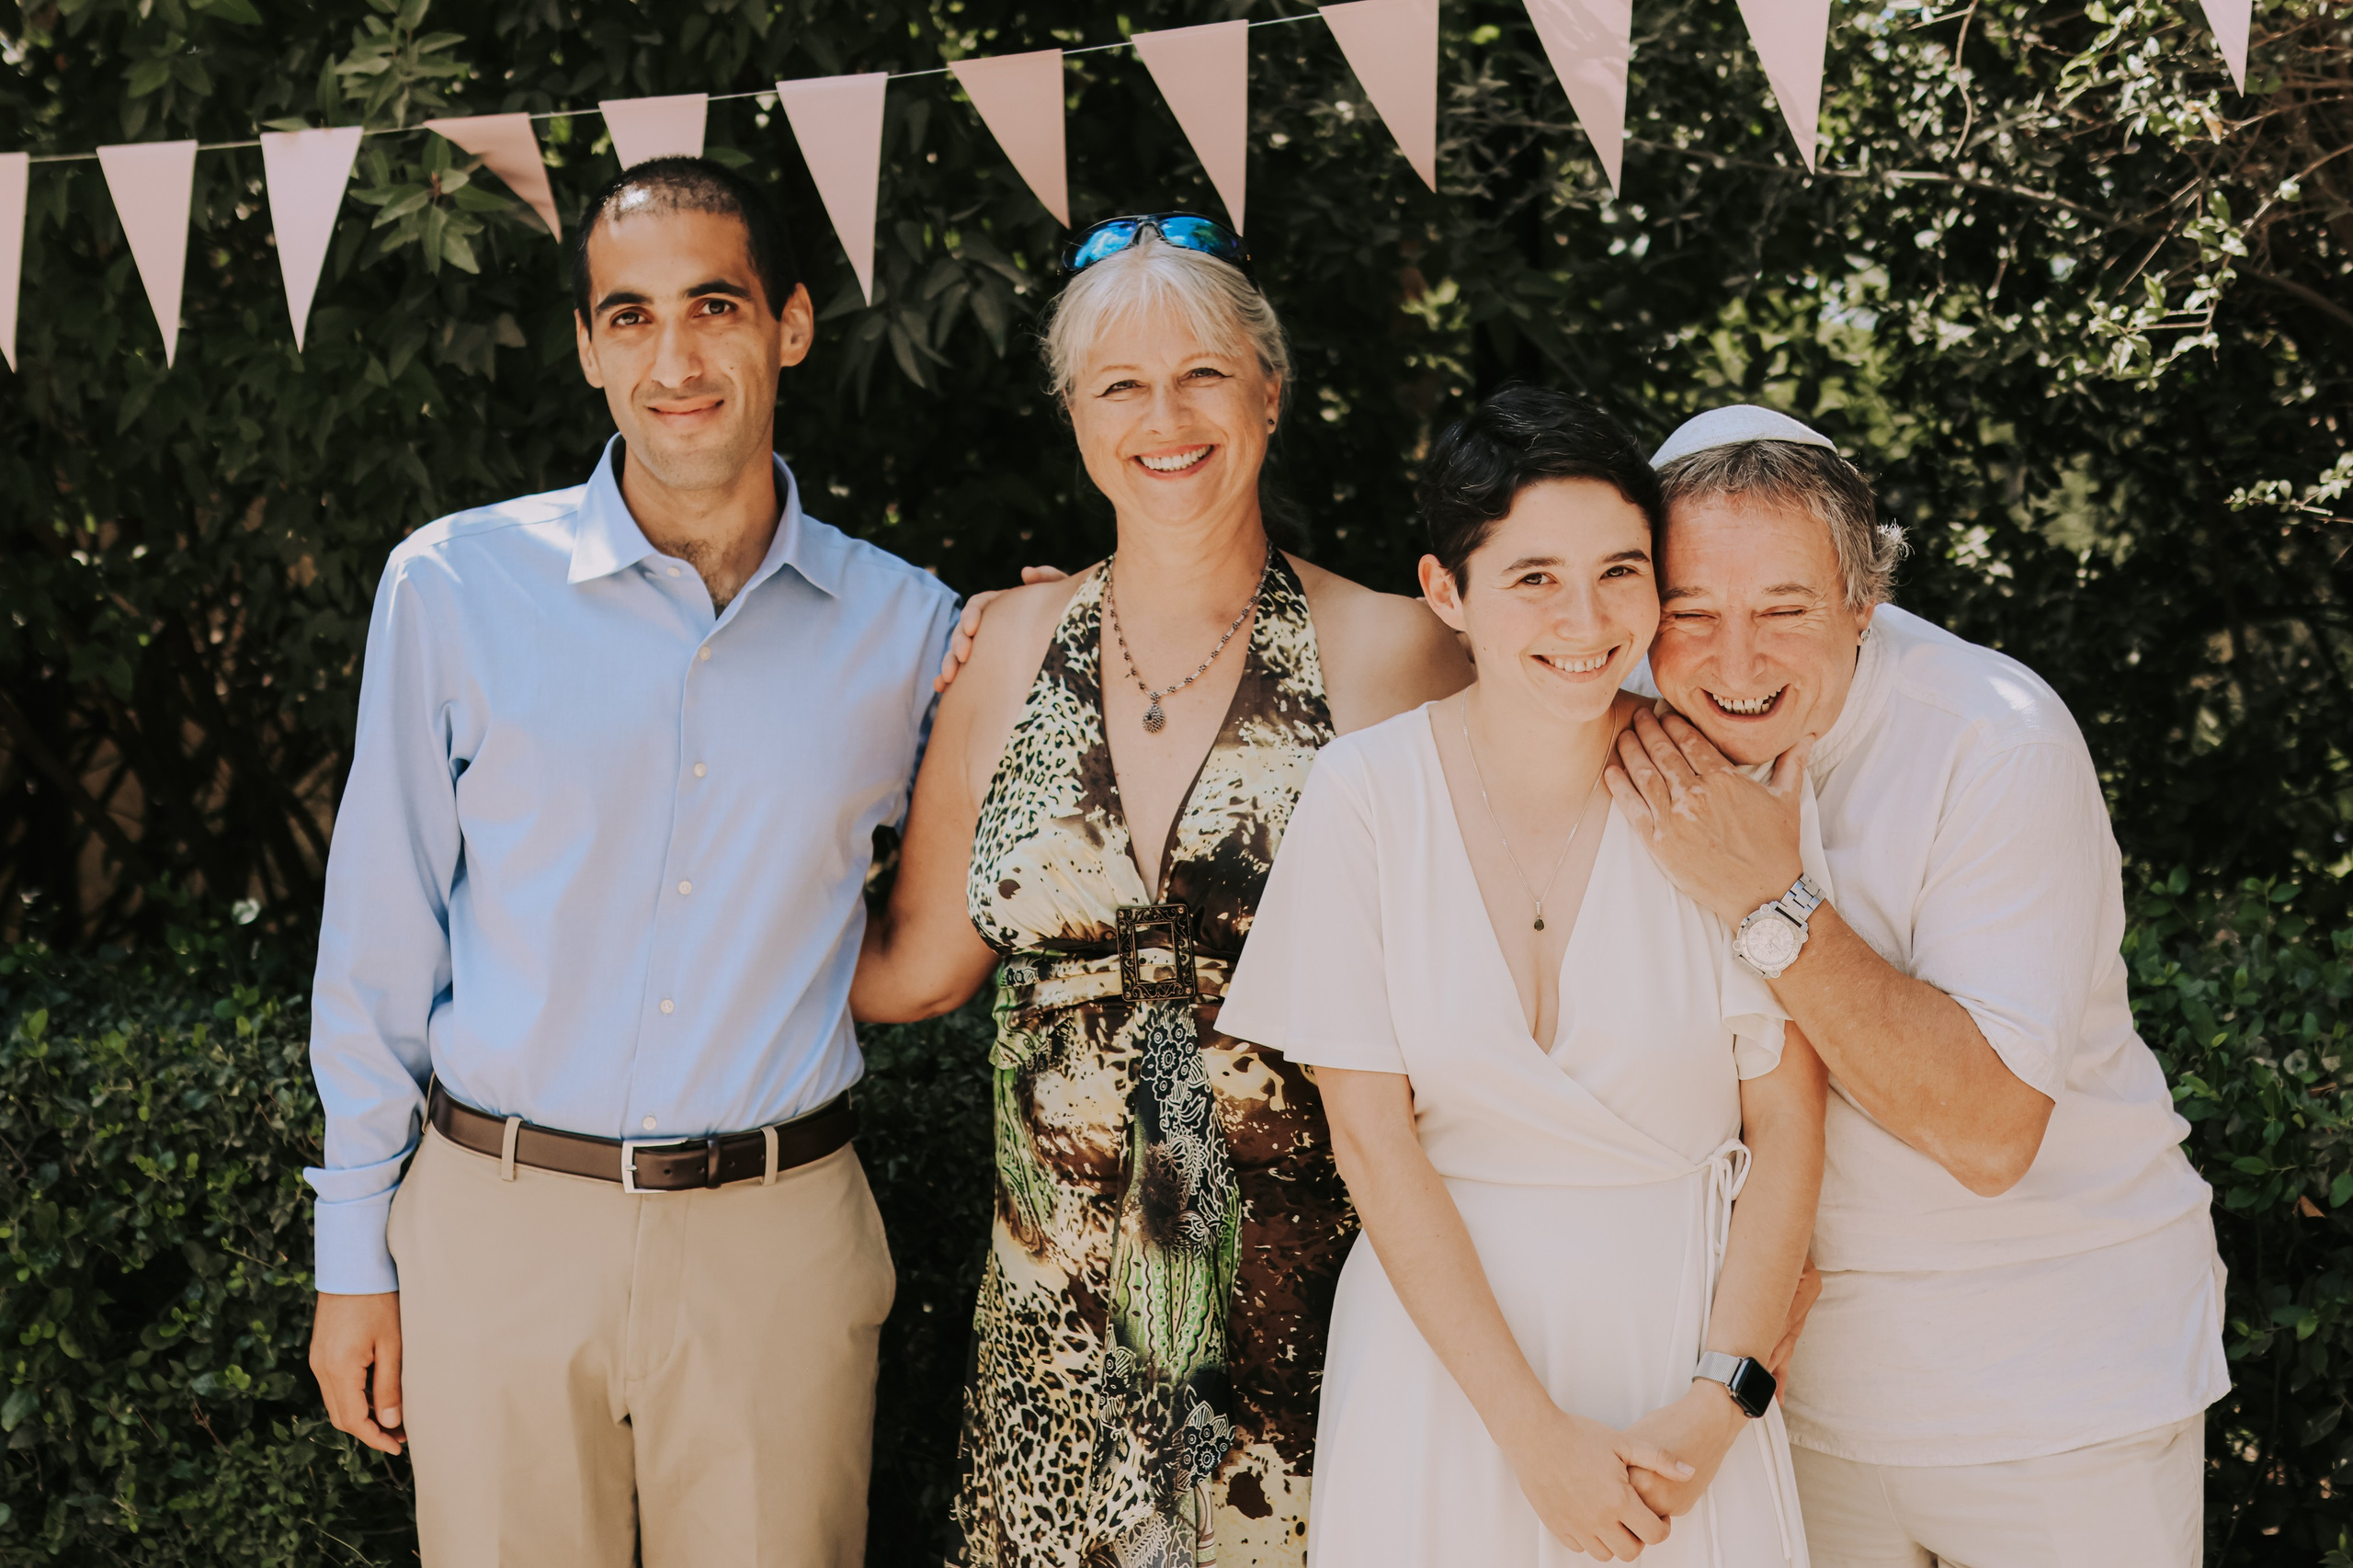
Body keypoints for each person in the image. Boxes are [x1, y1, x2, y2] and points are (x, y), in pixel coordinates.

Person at [303, 157, 961, 1568]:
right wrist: (352, 1258)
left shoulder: (912, 629)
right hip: (500, 1230)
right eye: (633, 316)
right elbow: (377, 941)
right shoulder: (454, 589)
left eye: (714, 305)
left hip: (779, 1241)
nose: (677, 359)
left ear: (789, 323)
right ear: (592, 345)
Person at [850, 213, 1470, 1568]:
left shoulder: (1394, 650)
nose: (1165, 415)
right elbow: (918, 967)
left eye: (1200, 373)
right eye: (1120, 384)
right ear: (1075, 413)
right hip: (1050, 1334)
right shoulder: (1005, 646)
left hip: (1309, 1316)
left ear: (1270, 388)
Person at [1212, 385, 1827, 1566]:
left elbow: (1787, 1126)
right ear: (1448, 591)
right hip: (1444, 1377)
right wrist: (1531, 1435)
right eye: (1534, 575)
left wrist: (1720, 1401)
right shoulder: (1363, 797)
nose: (1585, 617)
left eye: (1621, 571)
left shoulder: (1719, 795)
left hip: (1680, 1375)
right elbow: (1370, 1143)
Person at [1605, 405, 2226, 1567]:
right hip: (1799, 1407)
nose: (1735, 662)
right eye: (1691, 613)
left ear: (1863, 598)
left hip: (2055, 1392)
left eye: (1783, 610)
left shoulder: (1995, 738)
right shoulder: (1623, 724)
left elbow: (1989, 1132)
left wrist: (1769, 897)